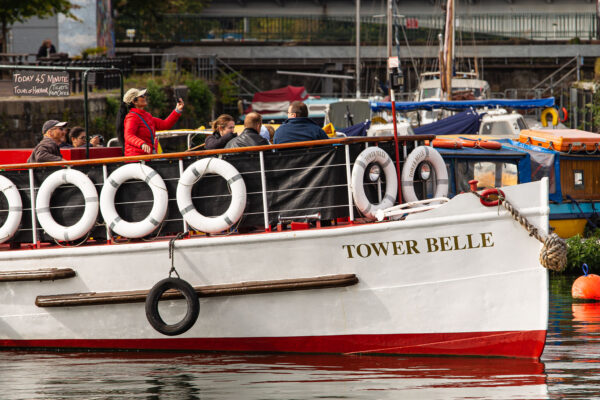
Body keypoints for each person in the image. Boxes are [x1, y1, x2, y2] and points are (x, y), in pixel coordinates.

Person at [116, 88, 184, 156]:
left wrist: (177, 110)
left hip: (147, 156)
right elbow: (129, 136)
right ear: (134, 102)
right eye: (142, 96)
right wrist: (142, 144)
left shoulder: (146, 116)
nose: (145, 97)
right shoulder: (132, 117)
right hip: (136, 158)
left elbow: (165, 124)